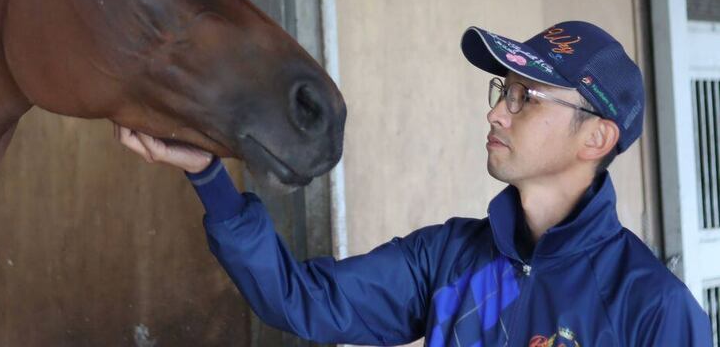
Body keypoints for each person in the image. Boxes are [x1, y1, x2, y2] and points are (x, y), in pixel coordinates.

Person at [115, 21, 712, 346]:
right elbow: (299, 300)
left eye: (524, 97)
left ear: (595, 140)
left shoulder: (652, 310)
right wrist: (209, 175)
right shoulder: (449, 258)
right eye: (501, 92)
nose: (496, 113)